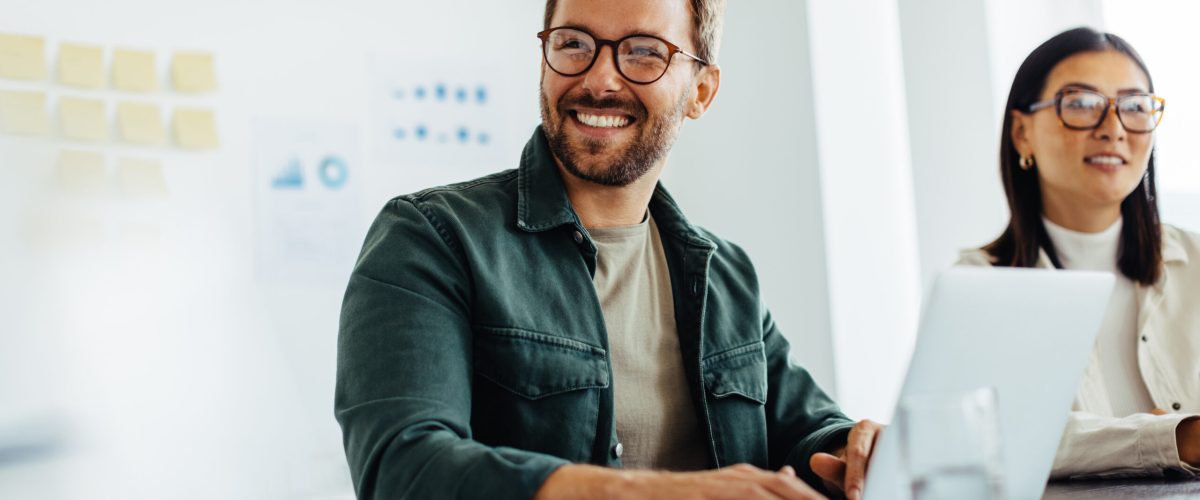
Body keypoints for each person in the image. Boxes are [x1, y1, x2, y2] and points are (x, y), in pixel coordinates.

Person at [335, 0, 881, 498]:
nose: (599, 79)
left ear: (701, 92)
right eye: (573, 43)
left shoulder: (725, 274)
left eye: (644, 53)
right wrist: (654, 493)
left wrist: (855, 451)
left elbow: (805, 432)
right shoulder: (431, 237)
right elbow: (403, 468)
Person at [959, 27, 1200, 478]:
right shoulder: (977, 286)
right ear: (1021, 132)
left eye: (1134, 106)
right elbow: (996, 439)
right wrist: (1177, 437)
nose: (1113, 129)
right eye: (1082, 104)